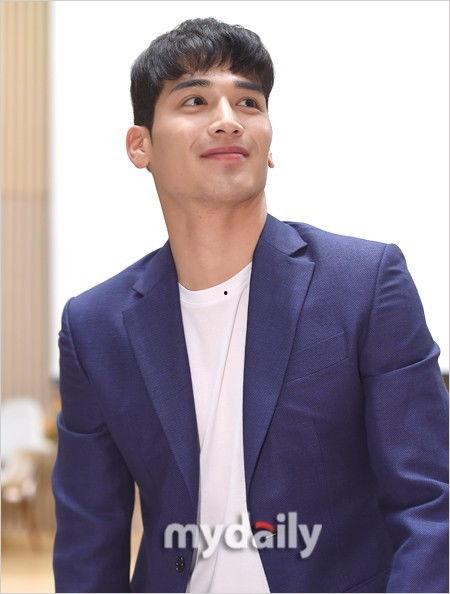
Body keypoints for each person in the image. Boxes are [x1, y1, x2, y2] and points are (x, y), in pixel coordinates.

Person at [51, 17, 449, 594]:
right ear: (141, 145)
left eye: (249, 102)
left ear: (268, 142)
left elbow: (431, 505)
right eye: (195, 100)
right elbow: (89, 542)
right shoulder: (95, 326)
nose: (228, 119)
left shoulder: (364, 284)